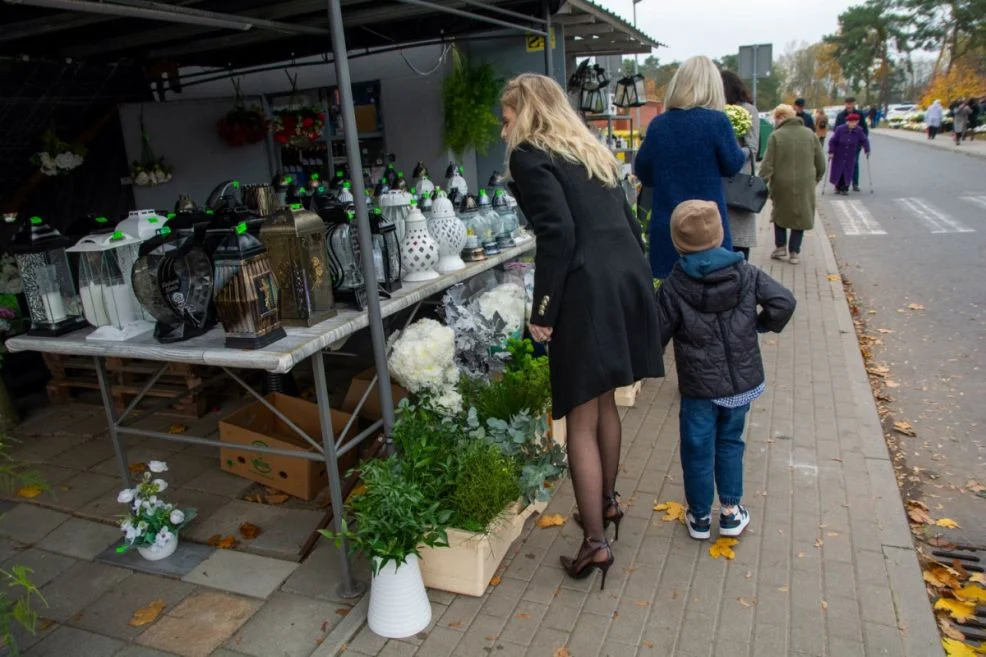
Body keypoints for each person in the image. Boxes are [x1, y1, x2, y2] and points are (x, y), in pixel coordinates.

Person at [501, 73, 665, 589]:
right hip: (624, 279)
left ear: (525, 113)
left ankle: (595, 543)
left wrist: (543, 310)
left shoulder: (531, 155)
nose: (502, 128)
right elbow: (627, 218)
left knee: (578, 419)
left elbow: (558, 234)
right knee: (604, 403)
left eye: (506, 117)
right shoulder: (588, 149)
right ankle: (607, 506)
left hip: (585, 290)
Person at [656, 200, 796, 541]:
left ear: (678, 242)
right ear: (720, 234)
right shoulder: (746, 273)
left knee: (697, 447)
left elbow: (655, 333)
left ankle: (701, 517)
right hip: (739, 385)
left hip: (698, 389)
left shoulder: (674, 286)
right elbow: (784, 302)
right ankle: (731, 513)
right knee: (730, 441)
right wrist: (759, 326)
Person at [635, 56, 746, 280]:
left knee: (670, 300)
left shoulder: (659, 125)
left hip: (669, 230)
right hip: (709, 231)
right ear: (713, 87)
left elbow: (643, 172)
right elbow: (733, 165)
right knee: (712, 295)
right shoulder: (717, 122)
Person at [759, 104, 826, 264]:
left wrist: (761, 183)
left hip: (781, 183)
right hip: (805, 182)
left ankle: (780, 247)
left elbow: (767, 164)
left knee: (780, 214)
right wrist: (816, 178)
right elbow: (821, 162)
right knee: (801, 215)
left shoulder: (776, 136)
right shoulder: (810, 134)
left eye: (776, 119)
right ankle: (794, 251)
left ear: (780, 118)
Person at [720, 70, 759, 261]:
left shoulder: (748, 111)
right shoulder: (716, 111)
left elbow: (753, 147)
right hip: (720, 184)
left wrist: (732, 152)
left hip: (740, 184)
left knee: (740, 247)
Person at [828, 111, 871, 196]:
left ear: (857, 122)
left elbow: (864, 140)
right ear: (847, 122)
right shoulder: (840, 129)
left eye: (855, 122)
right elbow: (833, 141)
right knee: (838, 170)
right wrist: (831, 152)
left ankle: (845, 188)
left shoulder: (859, 130)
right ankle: (837, 186)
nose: (853, 124)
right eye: (851, 122)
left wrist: (867, 149)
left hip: (850, 154)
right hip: (839, 153)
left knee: (848, 171)